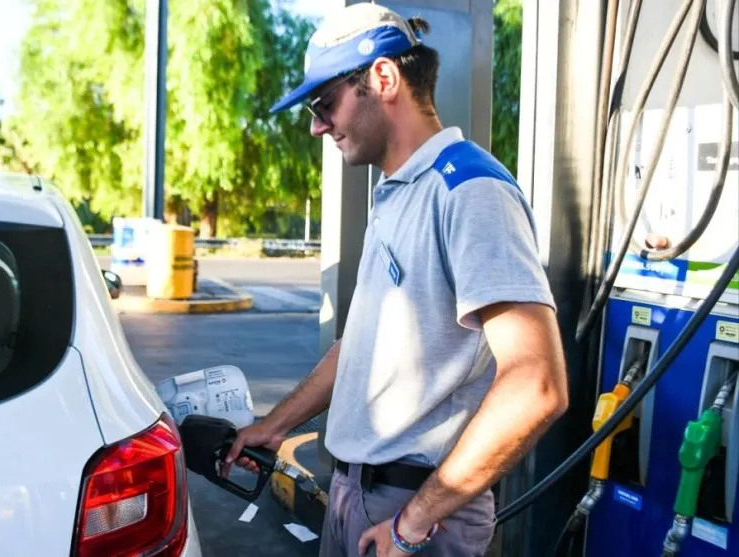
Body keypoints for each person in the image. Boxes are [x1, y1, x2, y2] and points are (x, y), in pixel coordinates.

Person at [220, 4, 569, 557]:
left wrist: (412, 525)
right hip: (355, 495)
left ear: (382, 78)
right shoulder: (398, 194)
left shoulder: (470, 192)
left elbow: (537, 386)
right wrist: (276, 424)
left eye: (325, 102)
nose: (317, 125)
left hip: (414, 511)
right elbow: (357, 346)